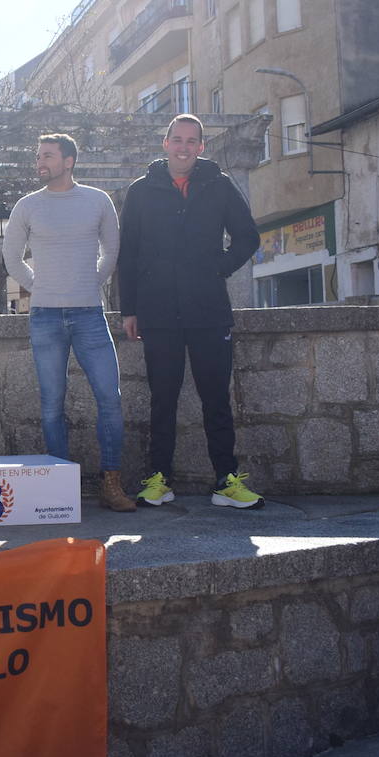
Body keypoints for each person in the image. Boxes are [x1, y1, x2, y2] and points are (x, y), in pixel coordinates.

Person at [117, 114, 263, 510]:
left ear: (201, 147)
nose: (183, 147)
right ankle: (159, 480)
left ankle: (226, 481)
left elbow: (248, 237)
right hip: (157, 312)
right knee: (161, 399)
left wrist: (217, 268)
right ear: (165, 143)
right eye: (176, 139)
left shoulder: (219, 186)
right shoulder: (141, 191)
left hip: (208, 310)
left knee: (216, 398)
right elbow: (127, 253)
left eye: (191, 141)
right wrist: (128, 308)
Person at [4, 133, 135, 513]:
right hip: (44, 316)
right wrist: (37, 285)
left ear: (69, 160)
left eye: (47, 156)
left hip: (90, 315)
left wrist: (90, 281)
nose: (40, 162)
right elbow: (11, 256)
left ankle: (112, 485)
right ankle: (60, 488)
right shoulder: (27, 206)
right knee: (51, 404)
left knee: (110, 399)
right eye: (38, 156)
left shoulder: (97, 200)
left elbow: (112, 249)